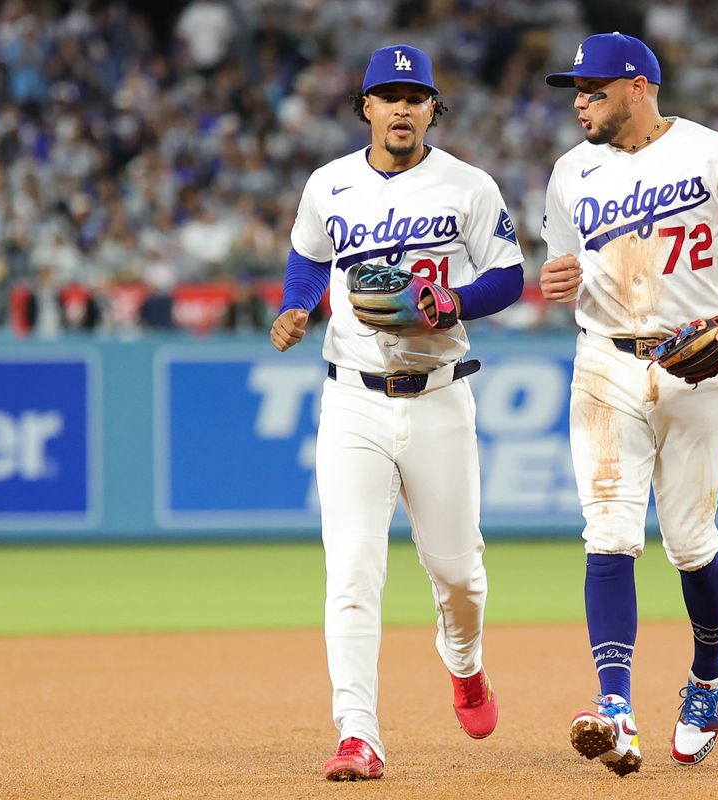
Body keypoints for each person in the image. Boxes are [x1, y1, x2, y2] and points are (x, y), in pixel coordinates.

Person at [538, 33, 718, 775]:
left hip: (698, 359)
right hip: (604, 360)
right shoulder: (570, 172)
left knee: (689, 541)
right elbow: (560, 263)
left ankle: (708, 675)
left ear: (638, 86)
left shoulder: (715, 155)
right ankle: (616, 708)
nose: (581, 100)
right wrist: (556, 282)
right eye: (576, 89)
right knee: (610, 531)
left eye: (593, 87)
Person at [269, 43, 525, 782]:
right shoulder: (330, 184)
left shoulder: (468, 186)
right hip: (351, 399)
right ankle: (358, 734)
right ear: (367, 108)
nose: (403, 108)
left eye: (416, 97)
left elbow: (509, 276)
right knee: (351, 571)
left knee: (459, 575)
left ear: (431, 110)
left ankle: (466, 663)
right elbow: (309, 257)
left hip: (440, 394)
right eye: (389, 96)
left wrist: (456, 301)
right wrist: (296, 306)